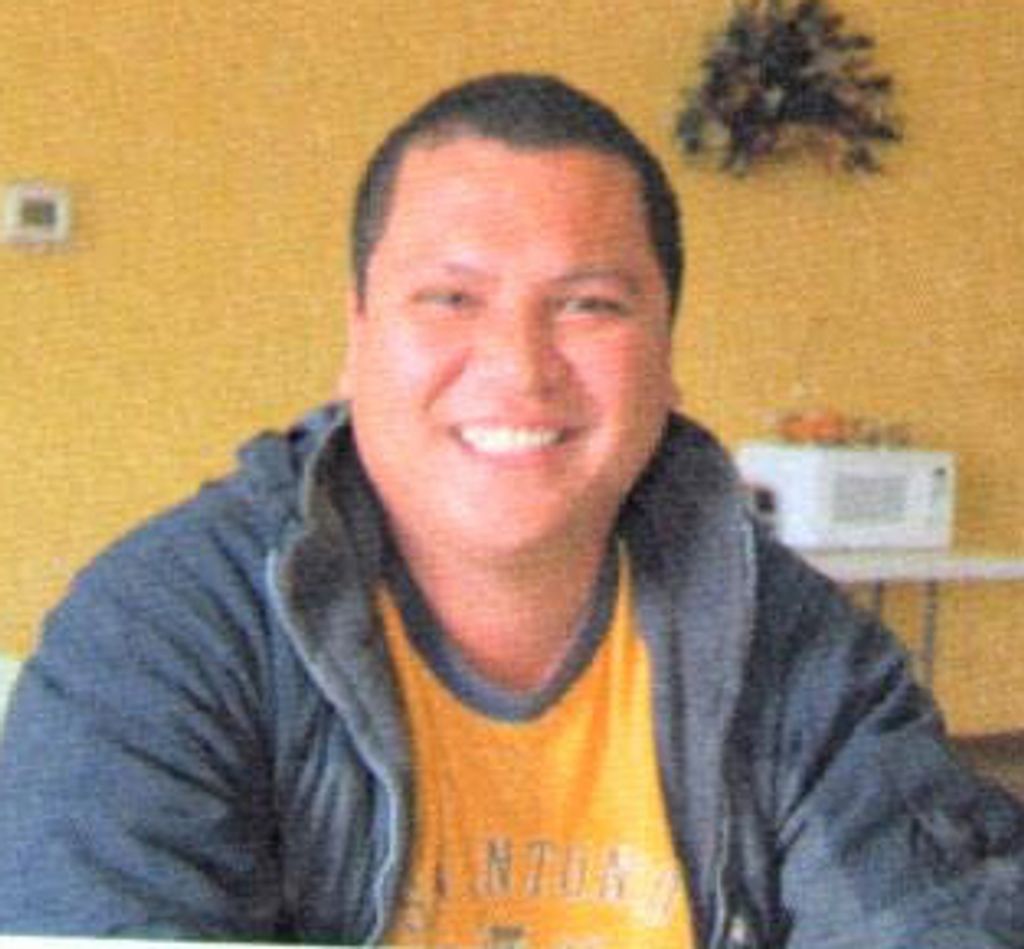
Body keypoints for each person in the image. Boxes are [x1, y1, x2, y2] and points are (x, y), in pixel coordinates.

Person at [0, 73, 1022, 948]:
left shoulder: (802, 656)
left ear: (666, 355)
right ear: (356, 338)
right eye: (451, 299)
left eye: (589, 304)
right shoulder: (164, 633)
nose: (519, 366)